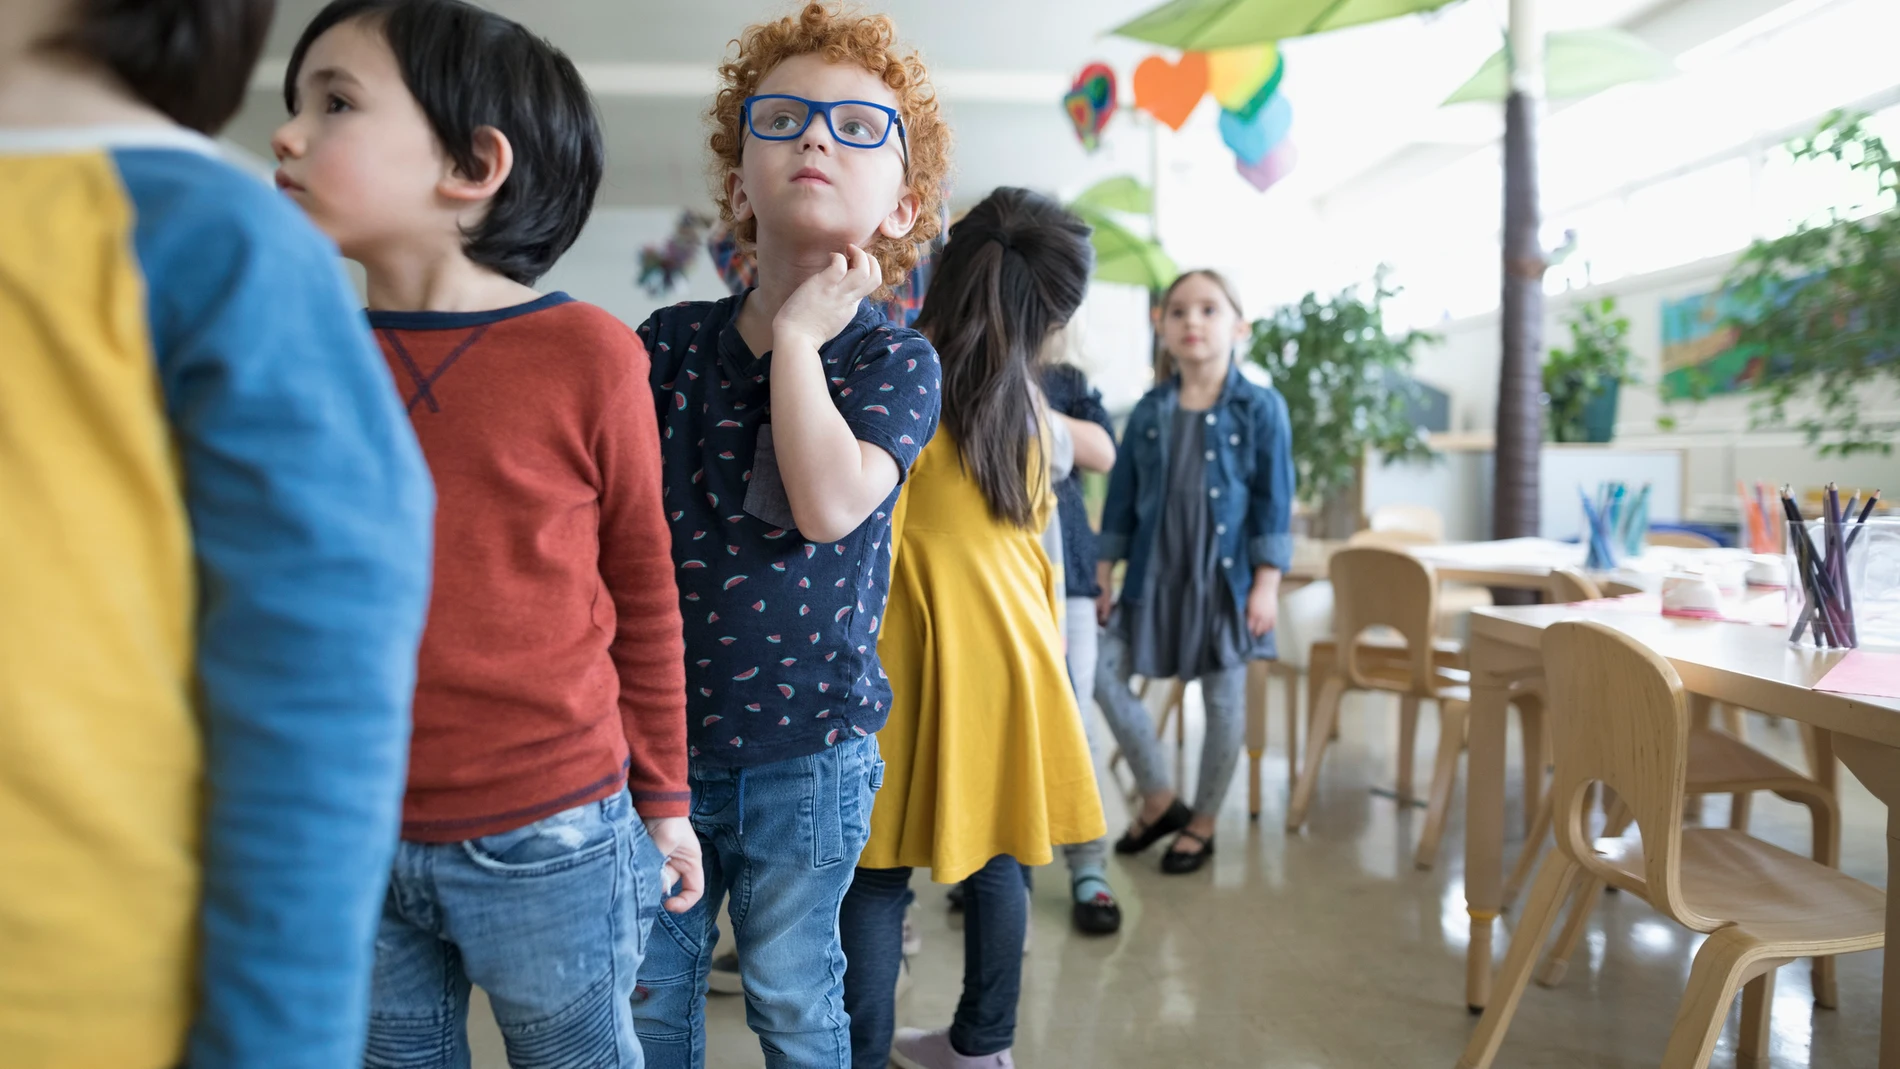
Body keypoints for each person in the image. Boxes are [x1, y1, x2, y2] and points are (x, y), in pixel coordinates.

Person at [0, 0, 435, 1066]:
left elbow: (316, 687)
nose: (293, 134)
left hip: (74, 1007)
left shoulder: (209, 235)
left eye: (335, 104)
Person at [272, 3, 698, 1064]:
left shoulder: (589, 355)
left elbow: (642, 592)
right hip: (348, 827)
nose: (287, 134)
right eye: (294, 106)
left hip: (552, 830)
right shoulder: (290, 352)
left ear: (472, 163)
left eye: (333, 103)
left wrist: (667, 797)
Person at [628, 4, 950, 1067]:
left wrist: (803, 337)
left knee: (791, 991)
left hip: (808, 753)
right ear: (736, 185)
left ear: (901, 206)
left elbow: (826, 503)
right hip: (658, 747)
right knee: (649, 989)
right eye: (787, 120)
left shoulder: (895, 362)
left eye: (857, 126)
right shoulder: (666, 346)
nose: (816, 136)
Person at [841, 187, 1108, 1069]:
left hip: (900, 652)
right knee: (999, 859)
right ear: (1053, 314)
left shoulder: (894, 369)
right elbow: (1040, 545)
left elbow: (861, 526)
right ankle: (982, 1048)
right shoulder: (1030, 409)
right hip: (1014, 657)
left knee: (875, 875)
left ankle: (864, 1052)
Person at [1094, 269, 1295, 875]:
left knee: (1226, 706)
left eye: (1208, 310)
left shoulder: (1261, 408)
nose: (1192, 322)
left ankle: (1202, 823)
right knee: (1101, 674)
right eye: (1178, 311)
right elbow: (1123, 497)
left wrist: (1267, 581)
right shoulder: (1149, 412)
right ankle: (1160, 799)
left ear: (1239, 327)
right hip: (1153, 579)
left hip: (1227, 585)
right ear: (1161, 326)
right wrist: (1104, 571)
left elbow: (1274, 498)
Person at [1040, 345, 1123, 934]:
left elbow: (1101, 450)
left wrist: (1029, 415)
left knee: (1075, 721)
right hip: (991, 574)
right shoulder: (951, 361)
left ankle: (1087, 863)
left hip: (1066, 571)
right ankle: (991, 866)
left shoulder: (1064, 379)